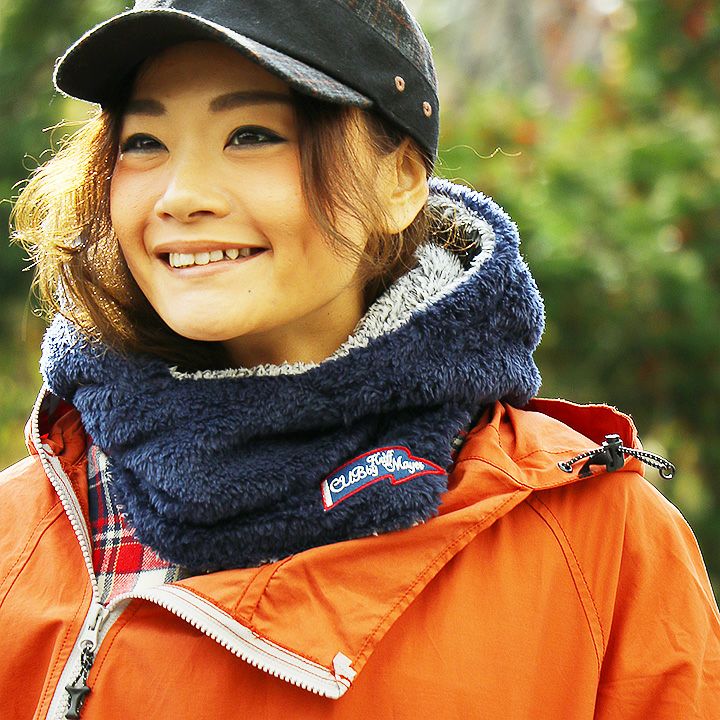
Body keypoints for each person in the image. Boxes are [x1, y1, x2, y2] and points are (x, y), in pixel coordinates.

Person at [2, 1, 718, 718]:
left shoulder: (600, 542)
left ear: (397, 180)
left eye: (251, 135)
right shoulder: (25, 527)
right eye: (144, 142)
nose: (180, 196)